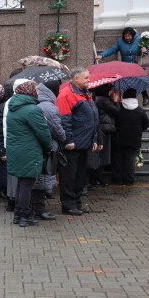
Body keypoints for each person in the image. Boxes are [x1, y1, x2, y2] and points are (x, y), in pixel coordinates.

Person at [5, 80, 52, 227]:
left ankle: (18, 215)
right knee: (27, 185)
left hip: (17, 151)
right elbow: (43, 133)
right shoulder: (32, 110)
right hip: (30, 152)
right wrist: (48, 147)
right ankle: (24, 216)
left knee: (22, 183)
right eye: (36, 90)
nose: (38, 93)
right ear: (29, 91)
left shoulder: (13, 108)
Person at [56, 67, 99, 216]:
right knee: (69, 176)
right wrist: (69, 140)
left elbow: (92, 119)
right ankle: (68, 205)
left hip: (84, 142)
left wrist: (94, 139)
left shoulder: (85, 93)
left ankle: (76, 203)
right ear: (76, 79)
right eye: (86, 78)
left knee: (80, 176)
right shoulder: (66, 94)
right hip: (73, 144)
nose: (89, 80)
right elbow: (64, 120)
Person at [31, 82, 65, 220]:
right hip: (47, 148)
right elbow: (56, 129)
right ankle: (38, 210)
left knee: (37, 179)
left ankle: (36, 208)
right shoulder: (49, 107)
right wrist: (63, 137)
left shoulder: (36, 104)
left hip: (36, 148)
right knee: (42, 179)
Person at [96, 27, 149, 105]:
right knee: (127, 83)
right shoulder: (120, 41)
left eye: (129, 36)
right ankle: (128, 99)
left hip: (137, 65)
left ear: (133, 35)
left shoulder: (139, 39)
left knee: (139, 80)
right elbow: (112, 49)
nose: (127, 38)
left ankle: (145, 96)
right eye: (126, 36)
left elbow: (148, 48)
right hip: (126, 66)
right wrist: (102, 55)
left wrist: (146, 50)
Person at [114, 88, 149, 186]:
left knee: (118, 159)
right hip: (134, 139)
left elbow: (115, 122)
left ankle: (118, 179)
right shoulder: (140, 111)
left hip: (119, 138)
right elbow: (146, 124)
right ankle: (129, 179)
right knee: (130, 160)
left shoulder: (119, 109)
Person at [90, 84, 119, 187]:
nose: (111, 92)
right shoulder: (103, 100)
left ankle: (96, 178)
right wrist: (115, 101)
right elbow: (117, 111)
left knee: (100, 155)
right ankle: (97, 178)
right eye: (110, 90)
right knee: (102, 156)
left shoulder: (97, 99)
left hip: (102, 129)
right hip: (104, 130)